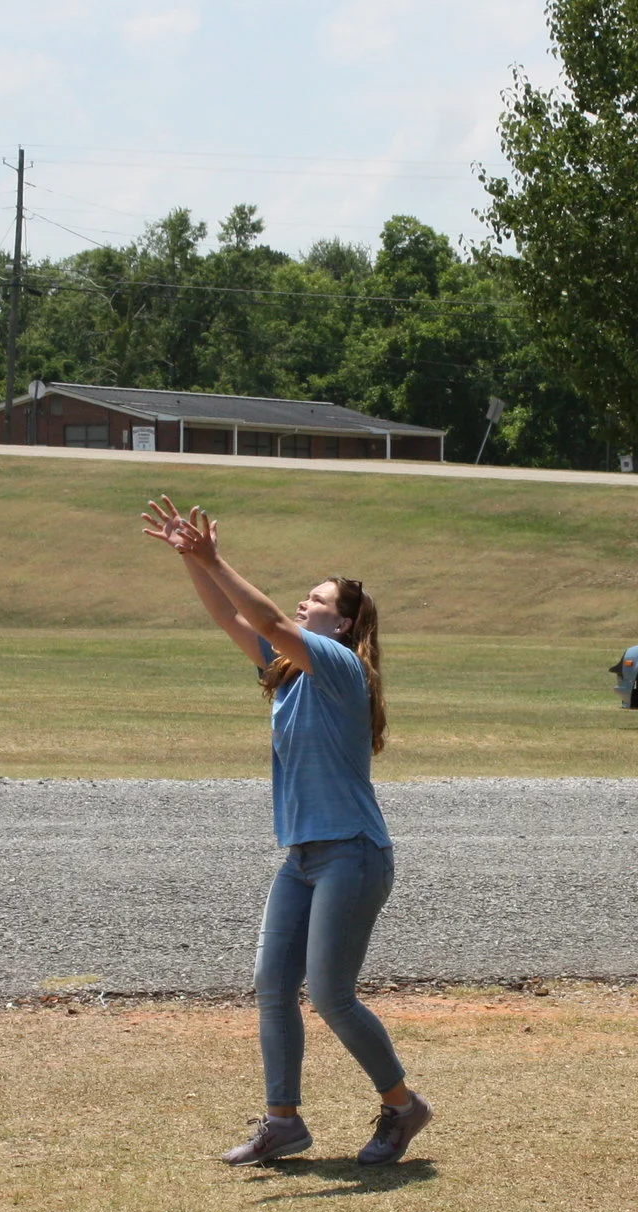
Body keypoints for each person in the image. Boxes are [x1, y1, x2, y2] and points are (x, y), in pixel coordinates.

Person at [141, 495, 432, 1168]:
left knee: (329, 992)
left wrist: (217, 556)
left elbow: (266, 617)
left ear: (348, 620)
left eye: (317, 599)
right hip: (303, 857)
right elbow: (231, 617)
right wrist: (194, 562)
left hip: (353, 854)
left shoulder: (338, 666)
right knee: (273, 983)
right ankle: (285, 1121)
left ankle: (402, 1105)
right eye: (305, 597)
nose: (305, 605)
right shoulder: (288, 673)